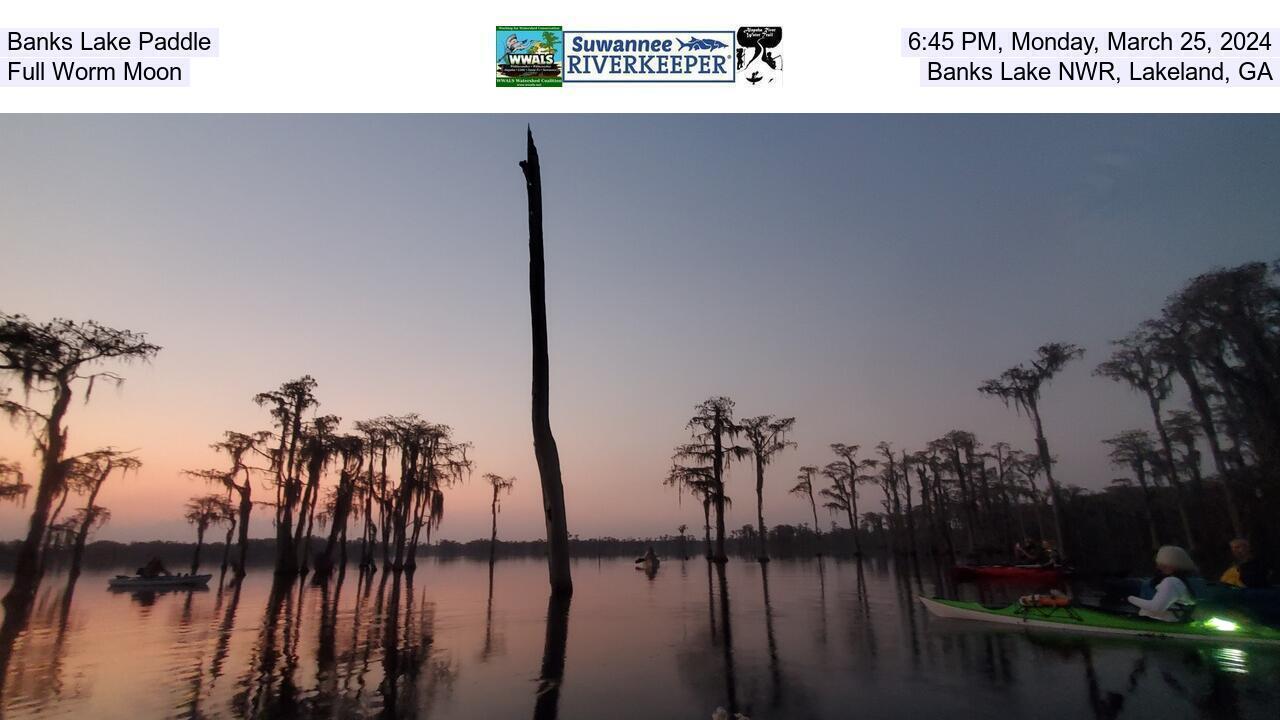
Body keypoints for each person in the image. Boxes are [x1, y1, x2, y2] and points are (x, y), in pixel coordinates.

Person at [1128, 545, 1197, 622]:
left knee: (1127, 585)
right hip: (1163, 607)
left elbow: (1156, 608)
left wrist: (1129, 598)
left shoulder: (1172, 582)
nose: (1158, 567)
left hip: (1160, 616)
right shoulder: (1182, 581)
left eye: (1162, 563)